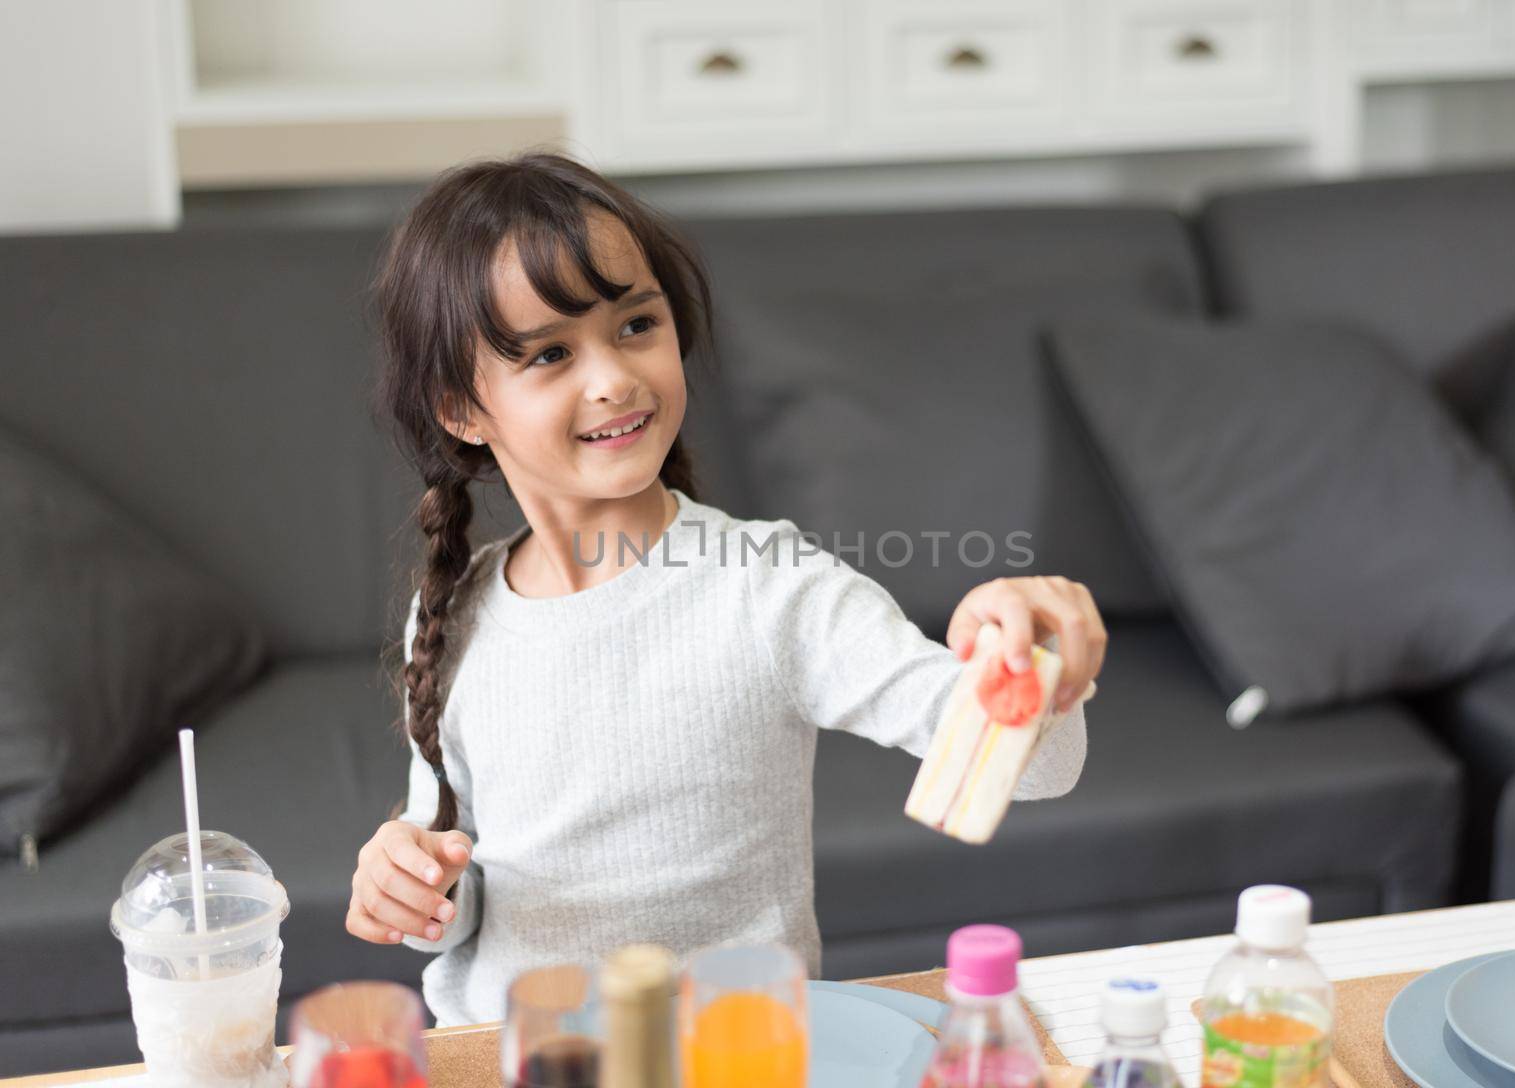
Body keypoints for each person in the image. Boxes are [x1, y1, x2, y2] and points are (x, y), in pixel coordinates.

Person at [346, 150, 1106, 1026]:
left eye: (636, 326)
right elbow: (462, 890)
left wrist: (1032, 646)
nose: (615, 378)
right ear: (460, 408)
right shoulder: (454, 614)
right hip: (516, 1057)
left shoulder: (769, 590)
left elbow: (1037, 765)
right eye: (551, 352)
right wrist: (413, 892)